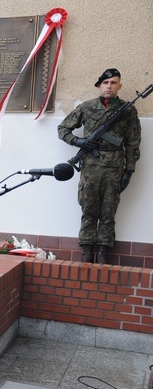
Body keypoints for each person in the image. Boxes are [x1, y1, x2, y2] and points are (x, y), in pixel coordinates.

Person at [58, 68, 142, 265]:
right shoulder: (86, 108)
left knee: (108, 211)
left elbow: (133, 142)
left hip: (114, 169)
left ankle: (103, 251)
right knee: (88, 209)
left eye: (113, 83)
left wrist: (129, 170)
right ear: (99, 86)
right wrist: (79, 142)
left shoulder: (128, 110)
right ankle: (87, 249)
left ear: (119, 86)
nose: (109, 86)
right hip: (90, 168)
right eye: (105, 83)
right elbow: (62, 129)